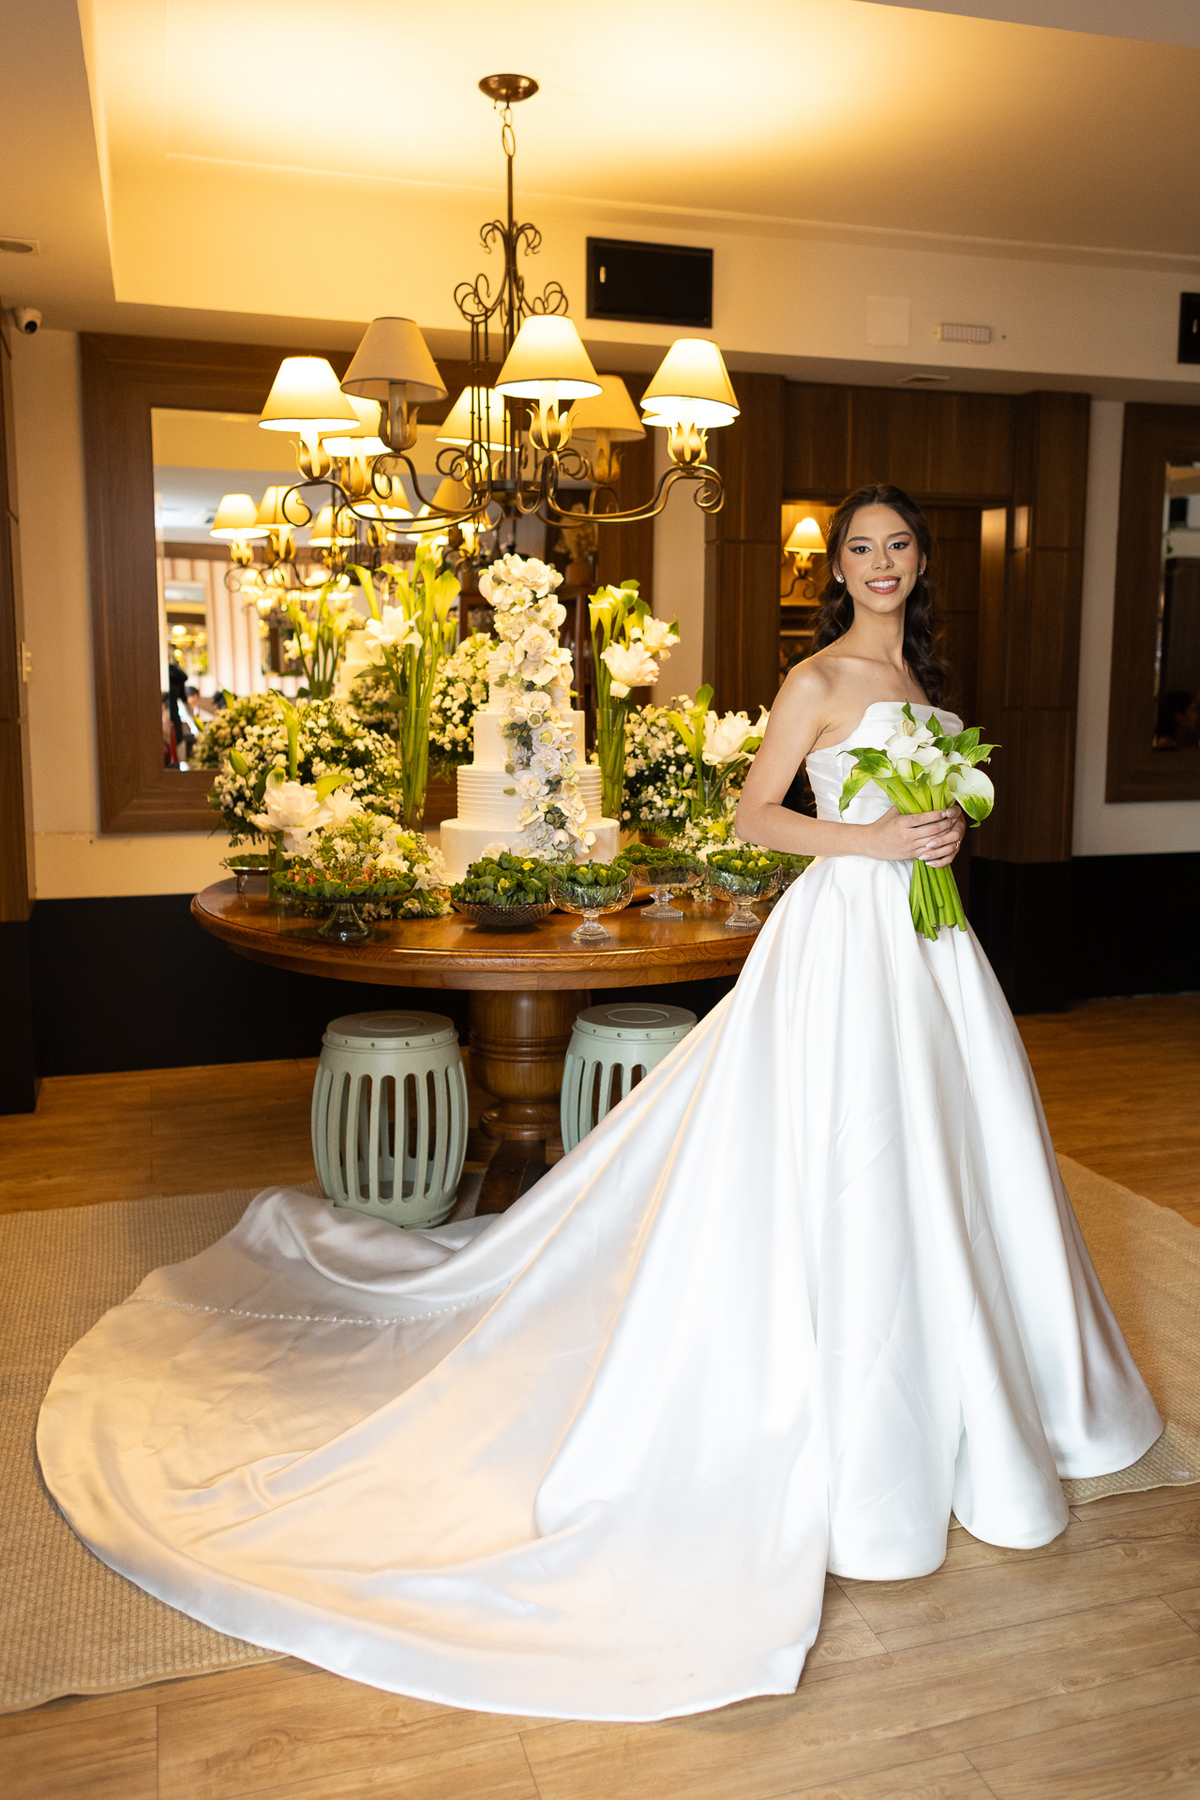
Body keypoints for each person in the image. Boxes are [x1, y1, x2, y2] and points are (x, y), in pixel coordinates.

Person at [38, 486, 1162, 1725]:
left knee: (954, 1162)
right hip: (843, 946)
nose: (881, 563)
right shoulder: (818, 680)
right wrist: (875, 843)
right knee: (851, 1159)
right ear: (837, 567)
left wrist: (942, 834)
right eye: (860, 547)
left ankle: (981, 1403)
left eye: (898, 546)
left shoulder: (936, 699)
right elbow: (758, 816)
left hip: (931, 958)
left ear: (922, 563)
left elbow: (924, 823)